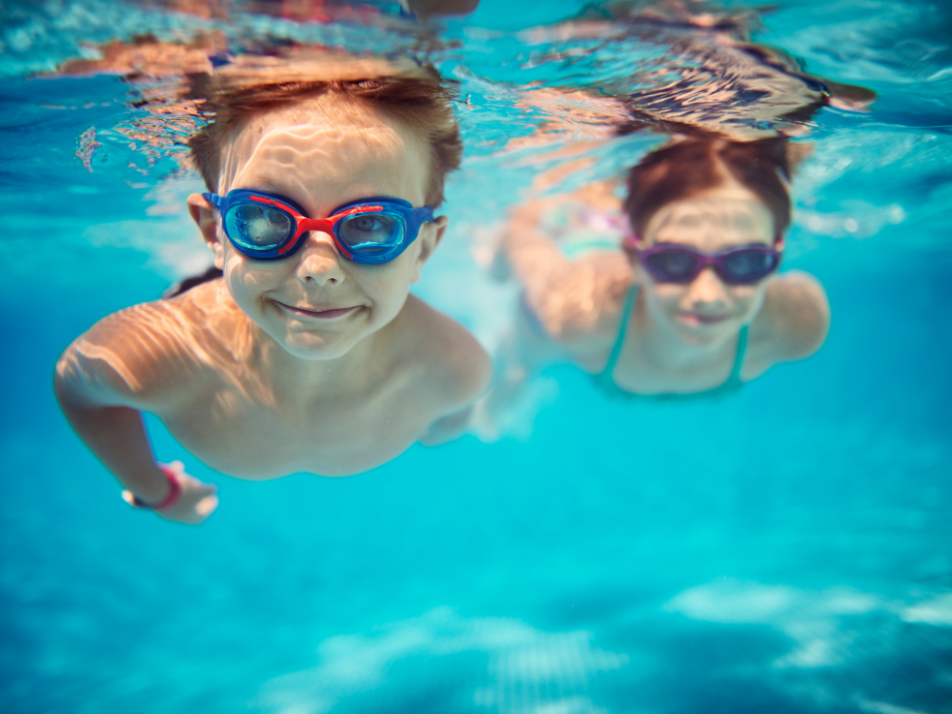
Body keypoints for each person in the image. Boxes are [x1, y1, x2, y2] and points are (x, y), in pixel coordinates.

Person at [54, 54, 491, 525]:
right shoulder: (156, 356)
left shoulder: (454, 370)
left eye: (370, 224)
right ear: (213, 232)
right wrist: (153, 490)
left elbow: (454, 416)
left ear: (423, 249)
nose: (318, 269)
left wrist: (444, 422)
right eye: (263, 217)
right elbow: (77, 388)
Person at [483, 136, 828, 422]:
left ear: (777, 256)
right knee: (522, 358)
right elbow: (521, 234)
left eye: (746, 261)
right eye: (674, 261)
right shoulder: (576, 311)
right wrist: (498, 270)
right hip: (583, 248)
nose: (708, 295)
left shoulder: (799, 324)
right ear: (633, 259)